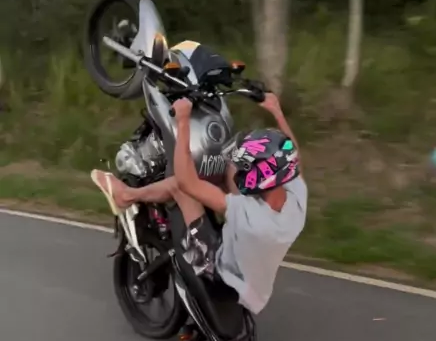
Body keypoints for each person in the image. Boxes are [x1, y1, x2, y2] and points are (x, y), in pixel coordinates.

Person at [91, 93, 307, 317]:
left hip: (221, 274)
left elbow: (187, 182)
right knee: (230, 166)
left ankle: (126, 196)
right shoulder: (296, 200)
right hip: (256, 284)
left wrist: (183, 122)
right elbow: (294, 157)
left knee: (179, 188)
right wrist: (276, 111)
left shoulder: (250, 215)